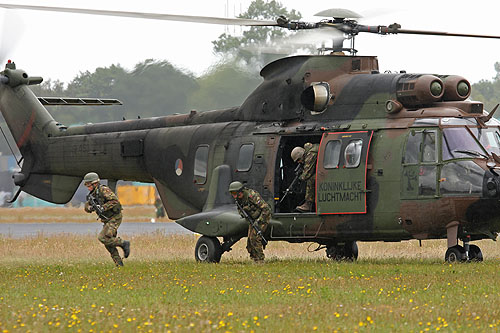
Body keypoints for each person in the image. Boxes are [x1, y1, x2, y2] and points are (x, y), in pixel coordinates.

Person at [83, 172, 130, 267]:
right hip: (107, 219)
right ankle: (119, 264)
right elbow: (86, 206)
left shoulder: (103, 190)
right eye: (87, 186)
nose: (88, 188)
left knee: (103, 238)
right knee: (108, 243)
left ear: (95, 183)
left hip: (114, 217)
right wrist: (91, 208)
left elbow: (114, 201)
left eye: (89, 185)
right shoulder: (93, 194)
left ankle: (123, 244)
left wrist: (103, 207)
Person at [229, 181, 271, 262]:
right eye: (232, 193)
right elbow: (240, 210)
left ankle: (260, 260)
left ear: (240, 192)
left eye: (234, 193)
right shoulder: (238, 199)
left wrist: (259, 221)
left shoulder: (252, 196)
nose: (233, 195)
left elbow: (266, 209)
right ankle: (254, 258)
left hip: (263, 216)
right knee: (250, 241)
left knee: (254, 238)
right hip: (253, 219)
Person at [291, 142, 319, 212]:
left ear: (301, 155)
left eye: (298, 160)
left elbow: (307, 175)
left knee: (311, 179)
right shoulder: (311, 149)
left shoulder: (311, 154)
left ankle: (308, 204)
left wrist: (300, 178)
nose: (299, 162)